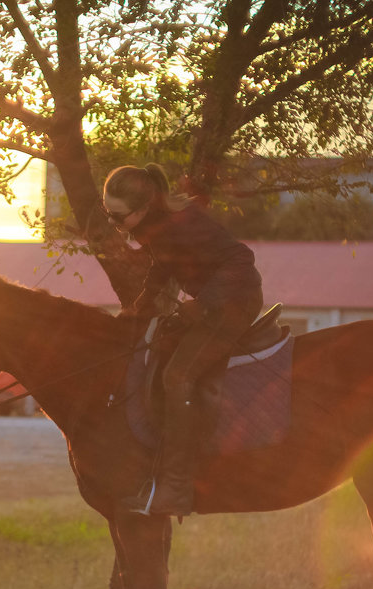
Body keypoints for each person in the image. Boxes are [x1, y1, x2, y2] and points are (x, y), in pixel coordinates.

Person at [103, 164, 263, 516]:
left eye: (117, 217)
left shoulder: (185, 222)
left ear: (142, 208)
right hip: (211, 306)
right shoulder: (153, 225)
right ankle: (156, 466)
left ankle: (176, 490)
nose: (113, 224)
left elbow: (242, 258)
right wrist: (141, 305)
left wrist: (203, 304)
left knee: (178, 376)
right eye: (107, 214)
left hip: (234, 303)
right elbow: (164, 263)